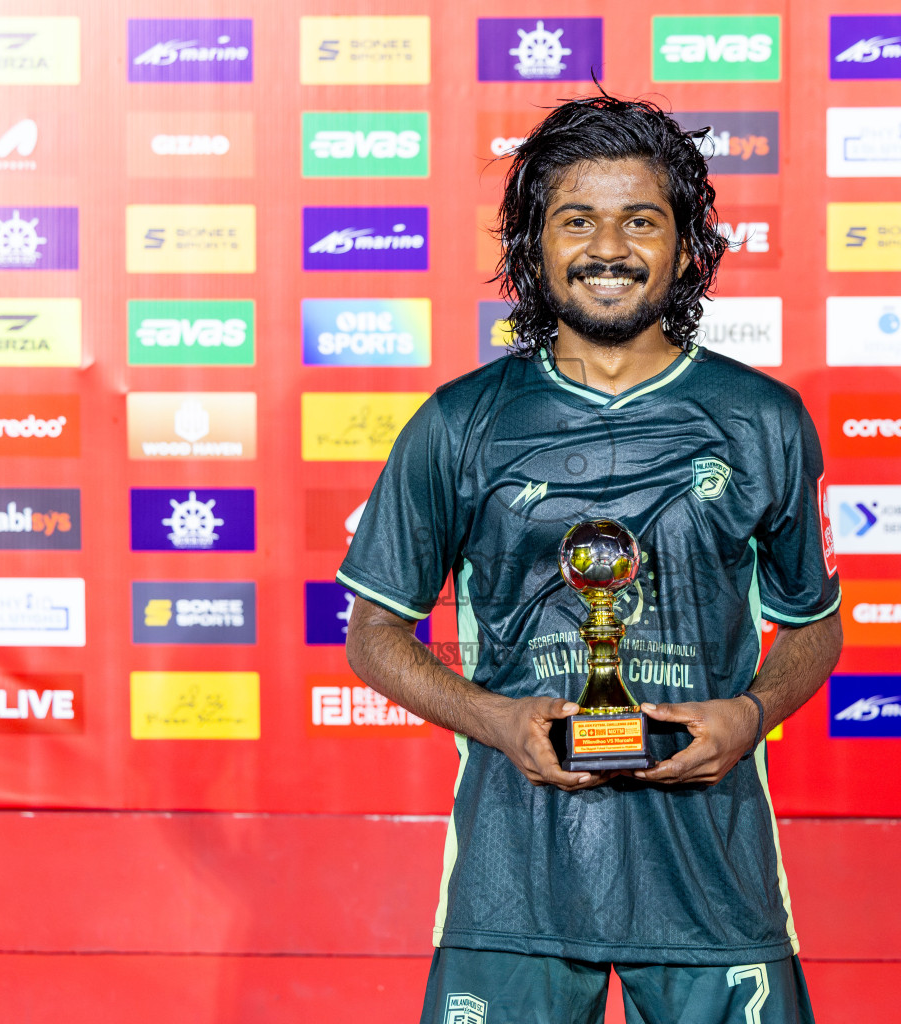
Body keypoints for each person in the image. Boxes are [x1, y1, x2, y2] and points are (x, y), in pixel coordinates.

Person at [340, 91, 844, 1024]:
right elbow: (373, 633)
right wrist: (497, 720)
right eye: (577, 220)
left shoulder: (764, 420)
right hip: (513, 884)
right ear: (534, 245)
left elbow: (813, 627)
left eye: (640, 221)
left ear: (688, 246)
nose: (607, 249)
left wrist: (750, 714)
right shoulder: (460, 423)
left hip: (713, 881)